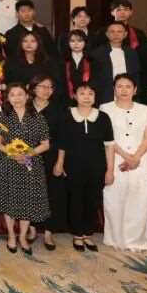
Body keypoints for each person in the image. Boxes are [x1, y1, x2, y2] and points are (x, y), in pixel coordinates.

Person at [53, 83, 114, 251]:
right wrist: (60, 163)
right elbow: (62, 142)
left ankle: (88, 234)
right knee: (76, 200)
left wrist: (110, 170)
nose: (86, 97)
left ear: (95, 97)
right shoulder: (67, 115)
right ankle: (77, 235)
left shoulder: (103, 117)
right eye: (82, 93)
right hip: (73, 165)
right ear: (75, 96)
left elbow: (109, 145)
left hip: (97, 166)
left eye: (90, 93)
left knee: (93, 200)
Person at [0, 83, 52, 255]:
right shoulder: (3, 116)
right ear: (8, 98)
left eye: (20, 94)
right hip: (8, 164)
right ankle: (11, 236)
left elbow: (45, 144)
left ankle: (23, 237)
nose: (16, 98)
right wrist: (12, 153)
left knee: (27, 202)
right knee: (9, 201)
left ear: (27, 96)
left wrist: (27, 154)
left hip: (30, 165)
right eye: (12, 95)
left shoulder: (38, 117)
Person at [100, 74, 147, 252]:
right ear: (114, 89)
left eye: (128, 86)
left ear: (135, 89)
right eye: (119, 86)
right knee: (114, 200)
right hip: (114, 158)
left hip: (141, 160)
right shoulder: (105, 108)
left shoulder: (145, 109)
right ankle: (115, 239)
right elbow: (106, 137)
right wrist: (126, 156)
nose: (123, 90)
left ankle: (136, 241)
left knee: (139, 202)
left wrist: (136, 157)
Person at [30, 75, 66, 250]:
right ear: (34, 88)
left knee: (52, 193)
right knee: (29, 192)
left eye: (50, 87)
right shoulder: (25, 107)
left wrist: (60, 162)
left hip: (51, 156)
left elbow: (63, 138)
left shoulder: (58, 110)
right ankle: (31, 229)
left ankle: (48, 232)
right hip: (27, 156)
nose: (46, 90)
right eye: (42, 86)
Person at [91, 22, 141, 104]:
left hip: (128, 94)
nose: (116, 34)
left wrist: (136, 91)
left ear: (125, 34)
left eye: (119, 31)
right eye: (112, 31)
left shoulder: (132, 53)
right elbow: (95, 78)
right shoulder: (97, 53)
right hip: (105, 95)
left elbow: (136, 75)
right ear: (107, 34)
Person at [62, 30, 94, 102]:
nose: (76, 44)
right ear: (68, 43)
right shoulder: (62, 61)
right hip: (66, 99)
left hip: (87, 98)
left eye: (79, 41)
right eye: (72, 41)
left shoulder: (92, 61)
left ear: (85, 43)